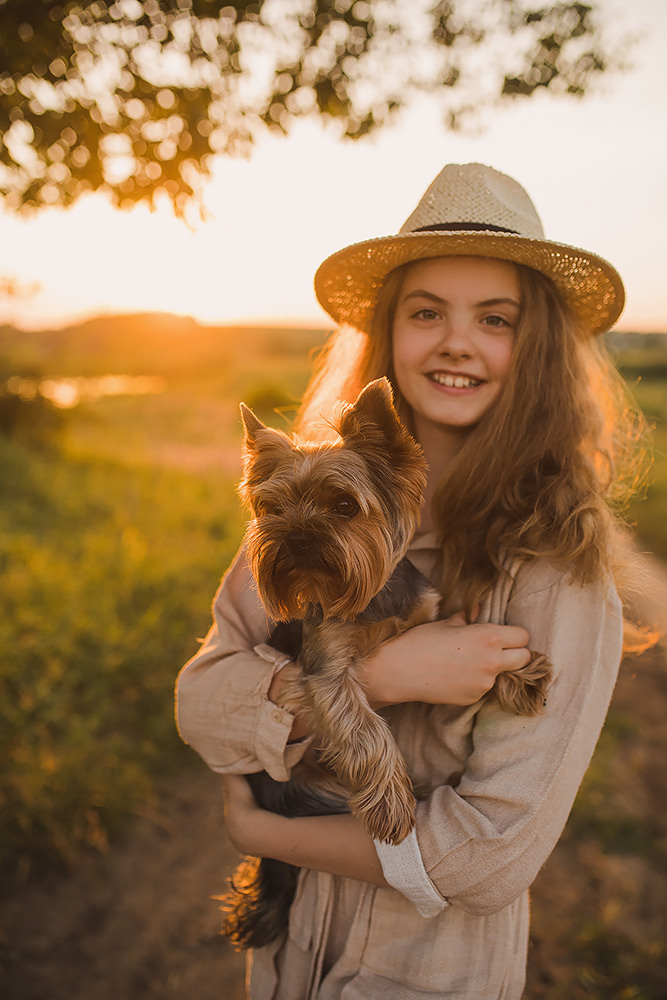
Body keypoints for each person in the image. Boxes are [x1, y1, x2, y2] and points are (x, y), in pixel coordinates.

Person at [175, 162, 651, 1000]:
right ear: (388, 333)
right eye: (425, 311)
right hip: (288, 968)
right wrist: (380, 676)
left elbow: (486, 857)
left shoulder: (556, 572)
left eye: (493, 319)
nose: (454, 341)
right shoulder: (311, 518)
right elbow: (199, 703)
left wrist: (264, 832)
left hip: (424, 975)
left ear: (533, 348)